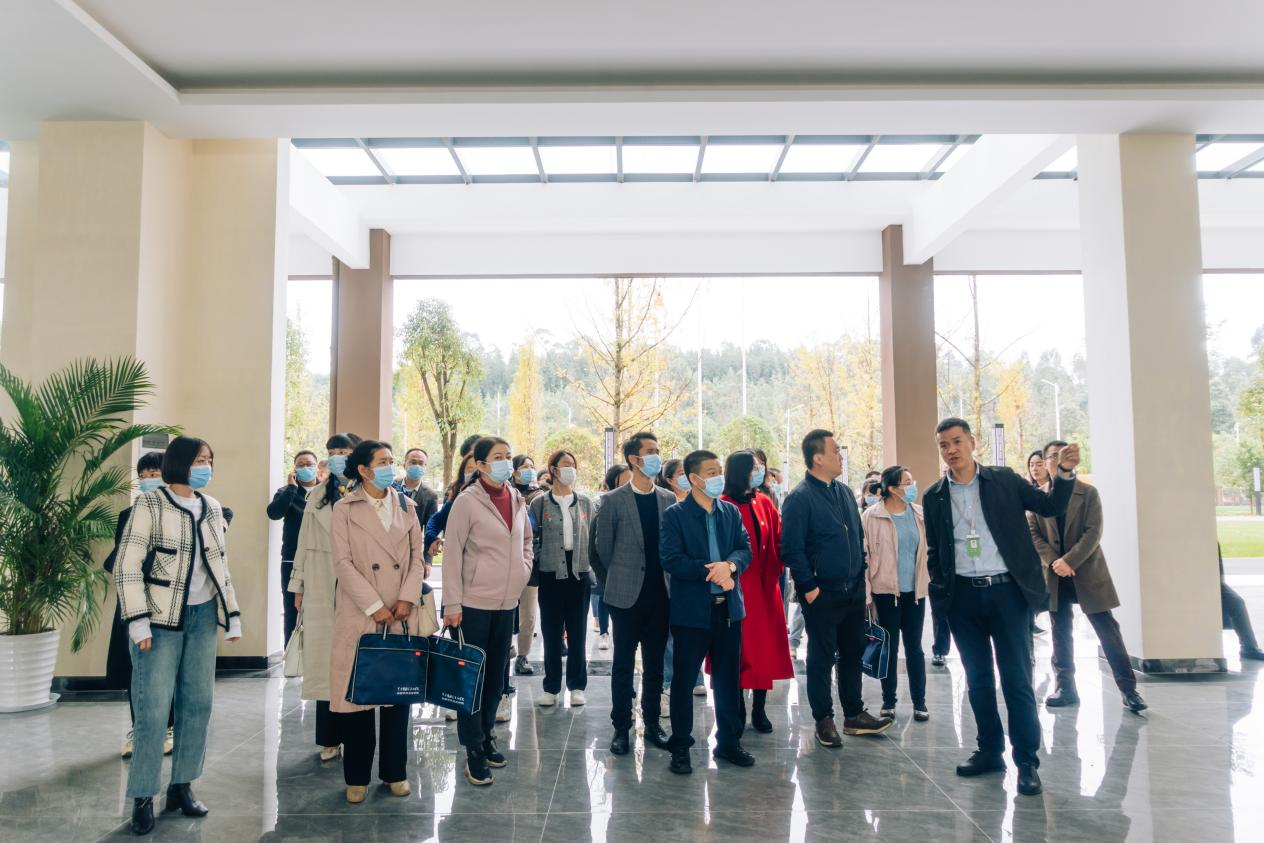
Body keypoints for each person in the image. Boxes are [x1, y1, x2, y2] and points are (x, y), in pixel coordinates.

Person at [923, 418, 1079, 797]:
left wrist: (1064, 472)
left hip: (1007, 594)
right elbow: (936, 551)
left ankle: (1026, 761)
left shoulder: (1004, 480)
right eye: (943, 445)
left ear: (972, 442)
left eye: (956, 441)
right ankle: (989, 751)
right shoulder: (934, 496)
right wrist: (942, 595)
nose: (951, 450)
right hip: (963, 599)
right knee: (977, 680)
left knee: (1016, 680)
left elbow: (1050, 504)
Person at [114, 436, 241, 835]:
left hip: (202, 618)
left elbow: (219, 566)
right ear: (180, 462)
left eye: (210, 459)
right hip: (159, 620)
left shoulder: (212, 507)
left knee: (198, 704)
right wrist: (138, 621)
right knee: (153, 709)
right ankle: (142, 795)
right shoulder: (150, 504)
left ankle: (182, 786)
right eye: (200, 459)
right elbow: (127, 566)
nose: (206, 466)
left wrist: (232, 616)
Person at [328, 439, 436, 804]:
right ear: (363, 470)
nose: (391, 467)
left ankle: (395, 772)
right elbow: (342, 563)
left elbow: (417, 556)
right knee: (360, 696)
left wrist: (406, 598)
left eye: (392, 460)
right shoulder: (344, 509)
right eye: (383, 461)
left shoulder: (407, 505)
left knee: (397, 694)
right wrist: (374, 605)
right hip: (361, 610)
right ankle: (356, 776)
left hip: (401, 611)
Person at [781, 430, 892, 750]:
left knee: (853, 653)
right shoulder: (799, 498)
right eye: (835, 451)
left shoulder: (843, 491)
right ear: (818, 458)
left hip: (852, 590)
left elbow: (856, 536)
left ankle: (854, 714)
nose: (841, 456)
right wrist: (809, 588)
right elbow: (792, 549)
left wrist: (861, 578)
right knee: (821, 658)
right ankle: (824, 719)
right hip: (822, 594)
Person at [442, 436, 534, 787]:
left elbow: (527, 541)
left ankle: (486, 737)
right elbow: (452, 555)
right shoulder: (467, 501)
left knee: (496, 679)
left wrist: (523, 570)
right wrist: (452, 604)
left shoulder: (516, 497)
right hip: (472, 605)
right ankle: (473, 749)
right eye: (497, 457)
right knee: (473, 681)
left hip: (507, 602)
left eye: (508, 456)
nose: (506, 462)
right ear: (480, 465)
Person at [1029, 440, 1147, 713]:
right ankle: (1066, 688)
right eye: (1052, 457)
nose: (1056, 461)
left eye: (1061, 456)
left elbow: (1094, 531)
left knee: (1107, 629)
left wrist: (1069, 561)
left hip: (1087, 571)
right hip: (1055, 574)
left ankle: (1129, 690)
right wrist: (1055, 562)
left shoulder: (1088, 493)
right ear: (1046, 463)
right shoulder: (1038, 498)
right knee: (1060, 632)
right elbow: (1033, 534)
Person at [661, 449, 754, 774]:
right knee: (684, 681)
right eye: (712, 472)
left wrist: (731, 566)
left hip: (728, 611)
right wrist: (711, 571)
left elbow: (745, 548)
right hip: (692, 613)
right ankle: (681, 746)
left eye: (719, 471)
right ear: (694, 479)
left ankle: (729, 742)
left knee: (728, 680)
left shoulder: (730, 512)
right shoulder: (675, 515)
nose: (719, 477)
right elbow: (671, 559)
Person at [591, 432, 676, 756]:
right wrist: (615, 580)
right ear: (634, 459)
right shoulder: (613, 500)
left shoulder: (668, 498)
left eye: (658, 450)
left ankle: (652, 724)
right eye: (650, 451)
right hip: (625, 597)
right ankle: (621, 727)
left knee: (655, 665)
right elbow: (601, 550)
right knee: (623, 665)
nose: (656, 456)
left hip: (661, 596)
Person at [288, 433, 360, 761]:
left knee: (354, 661)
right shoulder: (316, 495)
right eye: (332, 452)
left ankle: (356, 735)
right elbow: (303, 544)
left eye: (343, 451)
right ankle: (329, 737)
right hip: (320, 581)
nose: (337, 457)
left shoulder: (366, 493)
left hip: (358, 585)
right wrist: (298, 586)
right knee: (325, 661)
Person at [103, 452, 174, 760]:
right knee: (138, 669)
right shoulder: (127, 515)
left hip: (167, 602)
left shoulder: (182, 510)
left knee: (165, 667)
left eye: (154, 473)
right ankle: (140, 729)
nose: (147, 480)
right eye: (143, 475)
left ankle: (169, 727)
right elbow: (120, 559)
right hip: (134, 601)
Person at [720, 450, 793, 733]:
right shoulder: (723, 504)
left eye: (760, 466)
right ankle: (737, 705)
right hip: (738, 587)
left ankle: (759, 708)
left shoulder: (764, 502)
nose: (759, 471)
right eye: (754, 467)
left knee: (764, 650)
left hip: (766, 588)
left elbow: (779, 538)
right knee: (738, 650)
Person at [862, 465, 930, 722]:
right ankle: (888, 700)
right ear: (892, 488)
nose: (912, 487)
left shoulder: (919, 514)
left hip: (915, 593)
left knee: (915, 649)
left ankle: (920, 702)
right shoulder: (871, 516)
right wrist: (868, 596)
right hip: (885, 593)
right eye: (907, 483)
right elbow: (864, 558)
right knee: (888, 649)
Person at [530, 449, 594, 707]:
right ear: (553, 470)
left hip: (579, 572)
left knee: (577, 632)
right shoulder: (539, 503)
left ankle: (577, 686)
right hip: (550, 574)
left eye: (573, 464)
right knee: (551, 632)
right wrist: (540, 556)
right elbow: (531, 537)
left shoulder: (585, 502)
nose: (571, 469)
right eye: (566, 464)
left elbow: (594, 536)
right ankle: (551, 687)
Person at [658, 457, 706, 700]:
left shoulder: (700, 503)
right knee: (668, 632)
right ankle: (669, 678)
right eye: (679, 473)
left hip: (695, 578)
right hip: (669, 576)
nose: (685, 478)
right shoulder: (667, 505)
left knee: (693, 631)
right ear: (669, 479)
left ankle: (697, 678)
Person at [267, 450, 321, 646]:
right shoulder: (286, 491)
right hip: (292, 559)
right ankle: (291, 654)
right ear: (294, 469)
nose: (305, 468)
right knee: (292, 609)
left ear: (317, 467)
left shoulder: (325, 493)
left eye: (309, 464)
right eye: (300, 464)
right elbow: (274, 513)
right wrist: (291, 488)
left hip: (321, 558)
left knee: (320, 609)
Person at [590, 463, 631, 650]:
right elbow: (595, 549)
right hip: (608, 571)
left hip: (632, 574)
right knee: (604, 599)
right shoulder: (603, 505)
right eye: (625, 480)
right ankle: (604, 632)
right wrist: (607, 574)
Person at [510, 455, 543, 677]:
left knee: (528, 615)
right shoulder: (505, 492)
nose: (529, 470)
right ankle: (505, 649)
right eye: (524, 467)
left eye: (532, 466)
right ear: (514, 471)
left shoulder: (539, 495)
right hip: (504, 564)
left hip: (530, 564)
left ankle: (523, 655)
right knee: (505, 612)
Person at [1220, 544, 1264, 660]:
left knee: (1237, 603)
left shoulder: (1209, 541)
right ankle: (1249, 648)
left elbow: (1219, 570)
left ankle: (1249, 648)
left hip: (1211, 581)